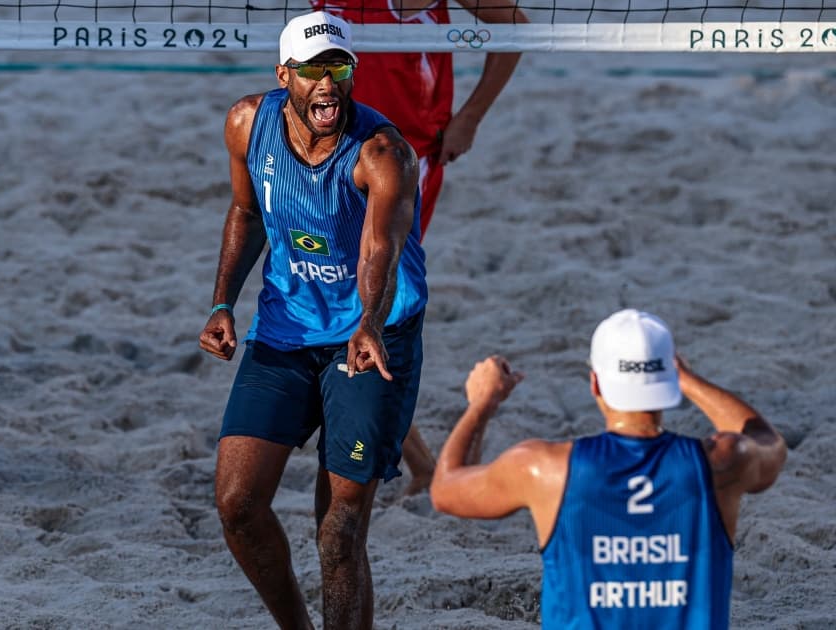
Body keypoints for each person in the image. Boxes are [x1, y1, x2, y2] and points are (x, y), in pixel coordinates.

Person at [197, 11, 427, 628]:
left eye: (338, 68)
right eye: (312, 71)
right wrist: (222, 302)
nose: (327, 83)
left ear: (352, 72)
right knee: (238, 505)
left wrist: (370, 321)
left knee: (339, 530)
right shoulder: (248, 123)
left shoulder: (384, 153)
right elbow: (245, 213)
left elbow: (381, 249)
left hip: (371, 338)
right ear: (284, 76)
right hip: (285, 332)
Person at [428, 309, 787, 628]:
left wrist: (482, 403)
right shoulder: (722, 464)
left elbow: (445, 489)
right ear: (669, 380)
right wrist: (688, 380)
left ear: (595, 383)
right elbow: (766, 439)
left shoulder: (544, 468)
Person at [313, 0, 529, 495]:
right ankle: (421, 464)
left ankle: (421, 464)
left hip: (404, 159)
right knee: (342, 307)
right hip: (330, 152)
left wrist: (470, 116)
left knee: (366, 304)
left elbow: (515, 28)